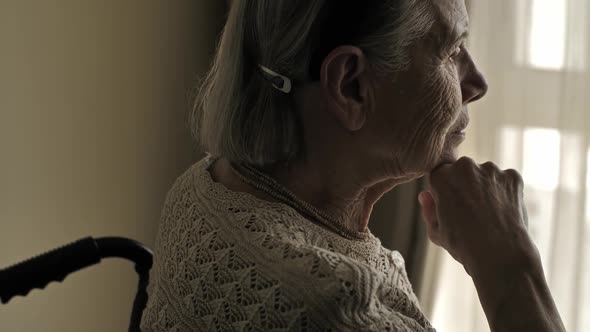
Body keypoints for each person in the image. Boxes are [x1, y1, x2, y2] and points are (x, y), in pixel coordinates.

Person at [140, 0, 566, 331]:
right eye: (452, 50)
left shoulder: (203, 187)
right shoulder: (342, 311)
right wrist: (511, 267)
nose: (477, 83)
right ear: (351, 86)